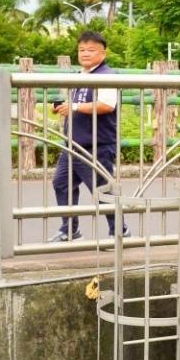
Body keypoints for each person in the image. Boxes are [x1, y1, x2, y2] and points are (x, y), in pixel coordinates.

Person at [50, 31, 128, 242]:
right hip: (72, 144)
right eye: (81, 50)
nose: (85, 53)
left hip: (96, 144)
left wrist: (74, 106)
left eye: (91, 50)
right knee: (61, 183)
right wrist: (61, 107)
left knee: (101, 190)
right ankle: (70, 229)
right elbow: (76, 104)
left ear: (103, 53)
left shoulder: (106, 76)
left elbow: (106, 105)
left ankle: (120, 231)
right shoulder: (80, 75)